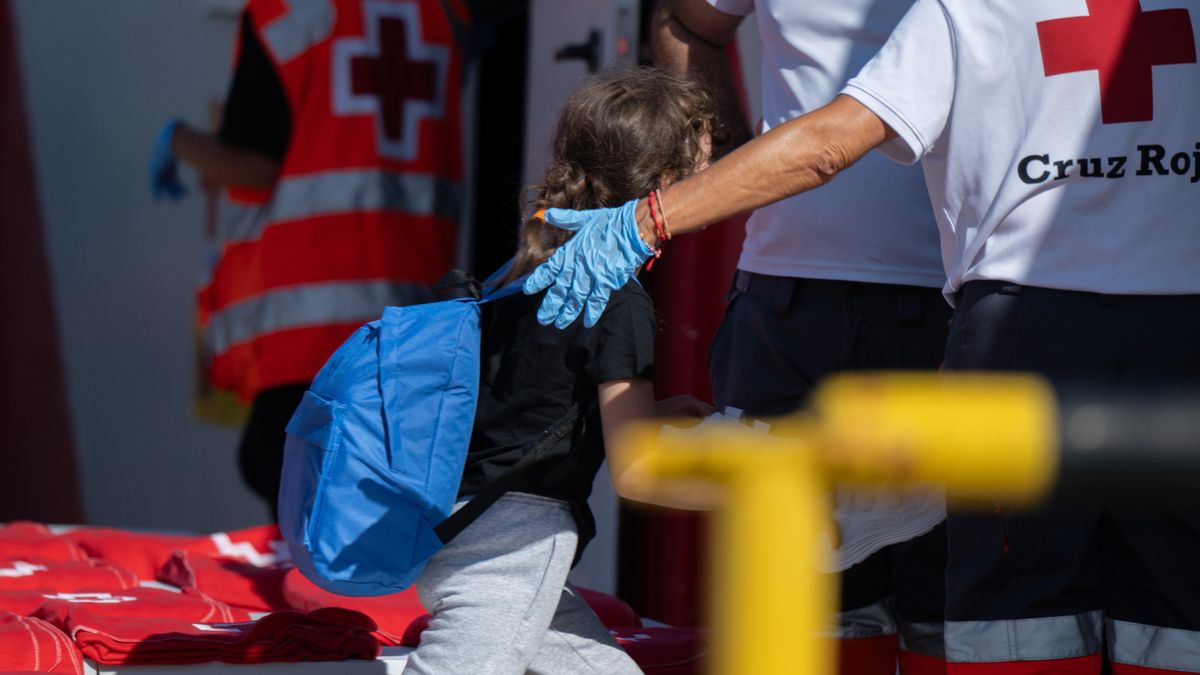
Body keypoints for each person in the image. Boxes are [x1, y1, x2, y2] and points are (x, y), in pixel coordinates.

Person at [526, 2, 1200, 673]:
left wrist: (648, 220)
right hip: (1157, 327)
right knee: (1166, 612)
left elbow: (830, 143)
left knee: (1010, 615)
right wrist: (717, 176)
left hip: (1001, 324)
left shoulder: (965, 8)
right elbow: (690, 22)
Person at [651, 2, 950, 673]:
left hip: (947, 295)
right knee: (804, 606)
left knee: (952, 606)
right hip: (783, 299)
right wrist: (727, 162)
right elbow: (686, 22)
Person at [402, 67, 716, 675]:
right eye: (707, 169)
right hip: (514, 545)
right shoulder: (616, 297)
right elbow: (638, 472)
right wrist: (767, 495)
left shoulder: (528, 268)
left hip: (456, 521)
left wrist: (651, 414)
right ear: (666, 184)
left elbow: (532, 403)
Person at [148, 0, 466, 520]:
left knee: (298, 506)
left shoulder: (286, 12)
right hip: (412, 320)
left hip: (310, 322)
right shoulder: (439, 13)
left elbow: (253, 163)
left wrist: (177, 140)